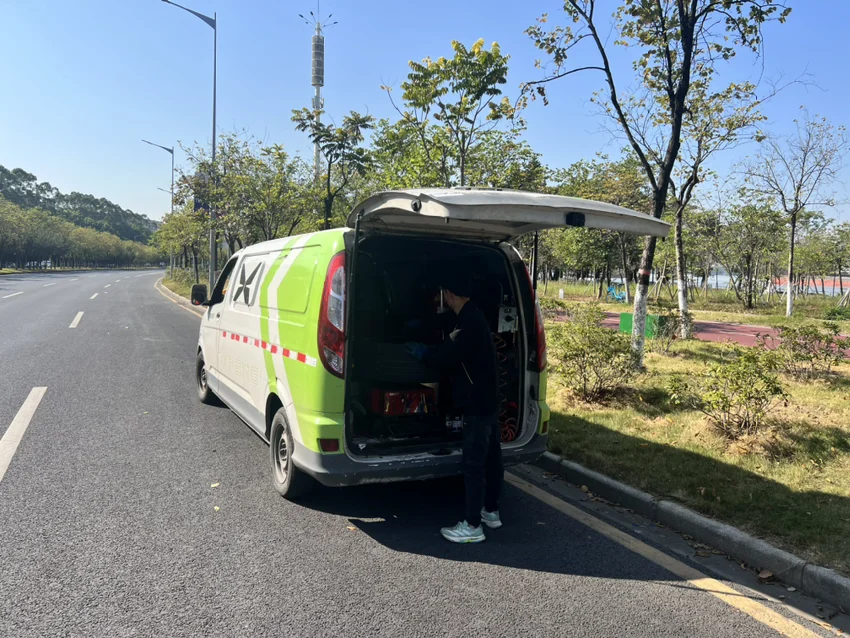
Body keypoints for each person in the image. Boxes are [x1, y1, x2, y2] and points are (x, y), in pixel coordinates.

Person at [406, 272, 503, 544]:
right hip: (489, 400)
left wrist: (425, 353)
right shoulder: (472, 316)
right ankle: (491, 511)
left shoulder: (468, 324)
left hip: (476, 404)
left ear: (450, 294)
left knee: (473, 464)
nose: (443, 298)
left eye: (445, 293)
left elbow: (447, 355)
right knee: (492, 458)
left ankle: (472, 526)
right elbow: (447, 329)